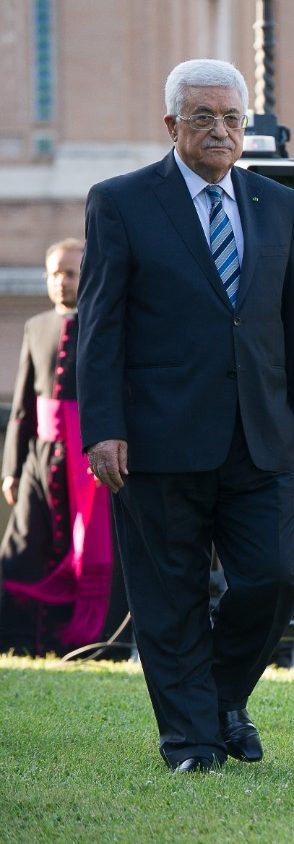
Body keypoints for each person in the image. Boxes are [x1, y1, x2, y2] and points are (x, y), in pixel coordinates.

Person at [77, 59, 294, 773]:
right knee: (169, 597)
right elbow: (102, 326)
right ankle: (192, 741)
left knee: (273, 578)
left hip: (261, 437)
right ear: (172, 125)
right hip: (156, 438)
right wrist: (104, 427)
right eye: (202, 118)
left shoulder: (277, 205)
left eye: (231, 119)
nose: (219, 131)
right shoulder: (121, 202)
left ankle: (219, 700)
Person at [1, 239, 126, 656]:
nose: (61, 281)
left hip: (89, 457)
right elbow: (21, 407)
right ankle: (23, 642)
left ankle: (94, 644)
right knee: (23, 550)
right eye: (54, 273)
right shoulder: (36, 325)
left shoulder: (106, 321)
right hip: (41, 458)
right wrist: (11, 468)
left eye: (70, 273)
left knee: (92, 553)